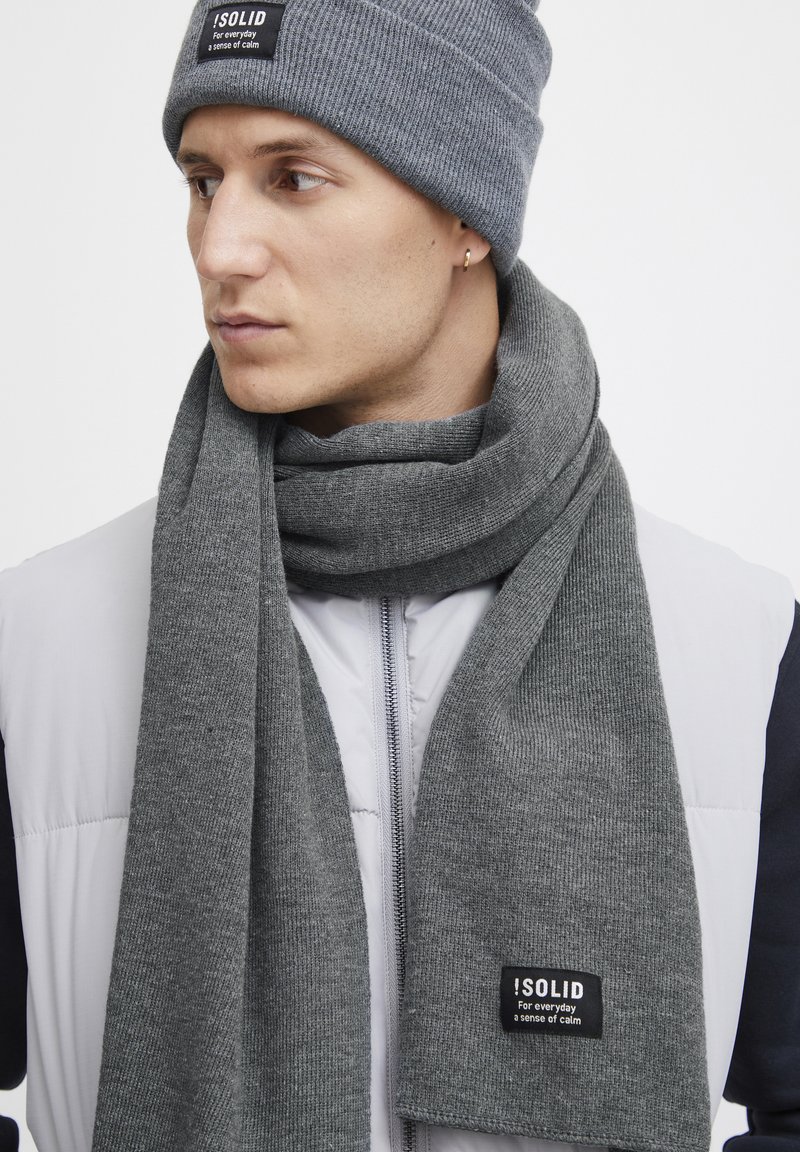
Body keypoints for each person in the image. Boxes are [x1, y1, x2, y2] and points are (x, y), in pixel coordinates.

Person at [1, 2, 798, 1150]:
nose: (220, 248)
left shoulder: (739, 643)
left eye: (292, 178)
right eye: (202, 181)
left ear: (465, 213)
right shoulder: (34, 643)